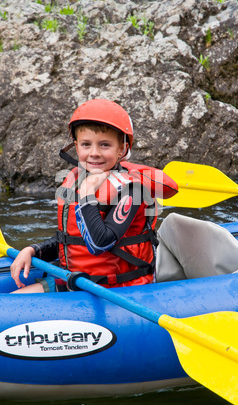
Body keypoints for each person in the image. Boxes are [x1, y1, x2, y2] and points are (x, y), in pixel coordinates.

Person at [10, 99, 178, 293]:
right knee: (12, 301)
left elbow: (100, 243)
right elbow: (74, 240)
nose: (94, 153)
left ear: (122, 149)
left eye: (105, 145)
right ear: (76, 146)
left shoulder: (132, 191)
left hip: (118, 289)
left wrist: (87, 193)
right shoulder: (77, 180)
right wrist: (33, 250)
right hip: (77, 281)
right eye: (86, 144)